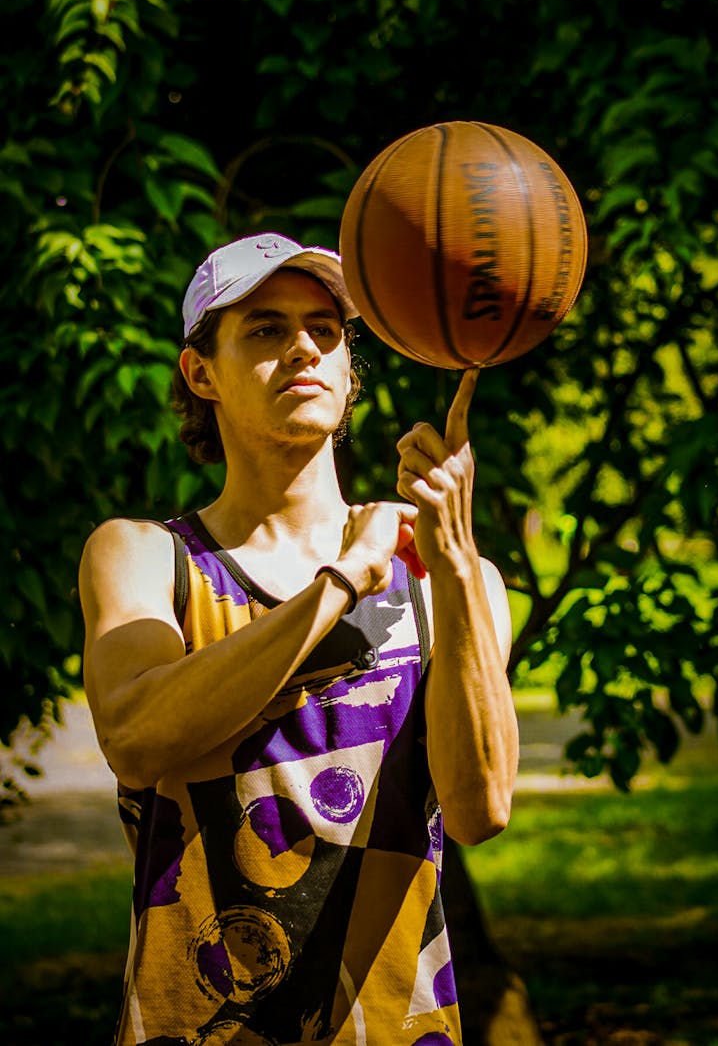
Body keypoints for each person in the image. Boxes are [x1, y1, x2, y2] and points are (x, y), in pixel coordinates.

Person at [79, 231, 519, 1046]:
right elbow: (136, 737)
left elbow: (480, 807)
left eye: (325, 330)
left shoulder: (444, 575)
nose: (303, 349)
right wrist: (341, 584)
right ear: (200, 371)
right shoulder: (146, 558)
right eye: (266, 329)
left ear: (351, 370)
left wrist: (454, 565)